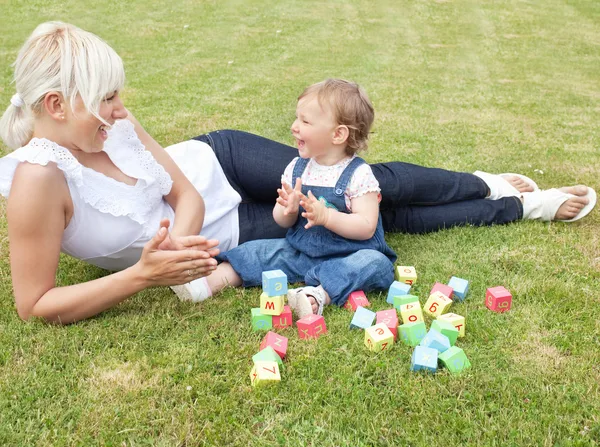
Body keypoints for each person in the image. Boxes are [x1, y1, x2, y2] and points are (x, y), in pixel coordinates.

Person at [0, 22, 595, 324]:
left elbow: (183, 189)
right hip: (234, 235)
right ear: (58, 106)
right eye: (107, 99)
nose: (122, 110)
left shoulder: (114, 126)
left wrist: (179, 242)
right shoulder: (36, 184)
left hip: (222, 166)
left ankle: (485, 183)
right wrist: (144, 275)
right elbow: (35, 303)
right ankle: (525, 207)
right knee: (378, 221)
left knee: (366, 180)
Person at [178, 79, 398, 317]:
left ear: (338, 134)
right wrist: (287, 210)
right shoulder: (297, 167)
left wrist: (327, 216)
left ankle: (318, 295)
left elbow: (366, 227)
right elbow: (281, 221)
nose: (294, 126)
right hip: (301, 253)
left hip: (350, 255)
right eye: (297, 118)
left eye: (305, 121)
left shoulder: (359, 174)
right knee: (257, 251)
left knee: (375, 264)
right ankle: (209, 282)